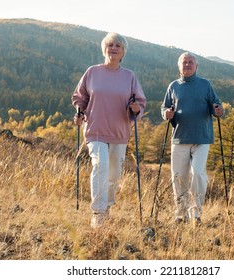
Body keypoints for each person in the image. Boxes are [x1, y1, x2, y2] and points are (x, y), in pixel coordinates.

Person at [72, 32, 146, 228]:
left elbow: (140, 102)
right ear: (104, 48)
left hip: (119, 131)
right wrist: (79, 111)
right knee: (100, 166)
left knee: (113, 175)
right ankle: (98, 213)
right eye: (110, 44)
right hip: (95, 128)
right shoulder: (92, 72)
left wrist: (136, 108)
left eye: (118, 46)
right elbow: (80, 97)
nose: (114, 48)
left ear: (123, 52)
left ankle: (107, 207)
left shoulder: (129, 76)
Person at [161, 52, 224, 225]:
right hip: (179, 138)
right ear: (179, 66)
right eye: (184, 62)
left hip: (201, 139)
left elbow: (216, 105)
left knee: (198, 174)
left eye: (190, 62)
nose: (187, 65)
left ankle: (195, 214)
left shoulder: (205, 85)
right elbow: (164, 108)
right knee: (179, 177)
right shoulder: (173, 86)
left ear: (196, 66)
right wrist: (166, 113)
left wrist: (218, 110)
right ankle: (180, 213)